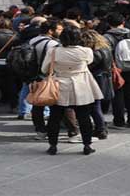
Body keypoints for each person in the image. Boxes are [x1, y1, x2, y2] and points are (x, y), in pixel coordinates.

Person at [43, 25, 103, 156]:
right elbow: (89, 62)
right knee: (84, 117)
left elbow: (44, 68)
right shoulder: (86, 51)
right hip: (81, 85)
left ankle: (53, 146)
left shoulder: (53, 51)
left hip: (59, 85)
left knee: (55, 118)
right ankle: (87, 145)